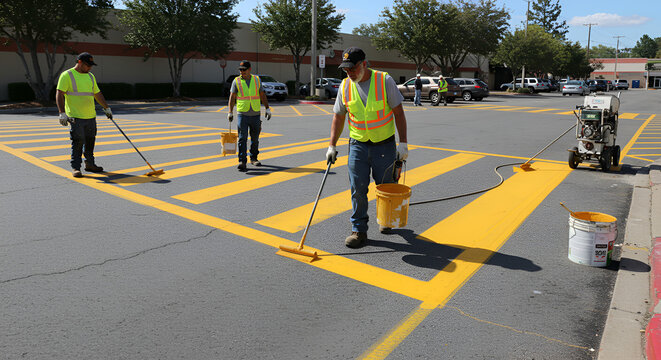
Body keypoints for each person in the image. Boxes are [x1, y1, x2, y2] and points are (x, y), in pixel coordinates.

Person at [326, 47, 408, 249]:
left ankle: (386, 219)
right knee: (357, 189)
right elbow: (339, 116)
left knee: (385, 186)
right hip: (357, 145)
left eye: (352, 68)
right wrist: (332, 145)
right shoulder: (345, 86)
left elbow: (398, 112)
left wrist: (403, 143)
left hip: (384, 145)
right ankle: (359, 231)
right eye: (346, 70)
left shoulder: (384, 81)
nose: (349, 73)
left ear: (364, 64)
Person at [56, 52, 112, 178]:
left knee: (90, 141)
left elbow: (97, 93)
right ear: (79, 62)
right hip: (75, 116)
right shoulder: (67, 75)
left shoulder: (90, 76)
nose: (90, 68)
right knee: (78, 141)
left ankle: (90, 164)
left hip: (90, 116)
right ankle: (76, 167)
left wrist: (106, 108)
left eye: (91, 65)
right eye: (88, 65)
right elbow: (60, 94)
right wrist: (61, 113)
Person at [227, 60, 272, 171]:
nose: (242, 72)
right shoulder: (236, 81)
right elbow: (232, 97)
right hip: (242, 114)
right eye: (240, 70)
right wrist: (230, 112)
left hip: (255, 114)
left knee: (255, 138)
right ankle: (242, 161)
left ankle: (254, 158)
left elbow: (262, 94)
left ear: (249, 69)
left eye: (244, 70)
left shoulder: (256, 80)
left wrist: (267, 108)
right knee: (242, 138)